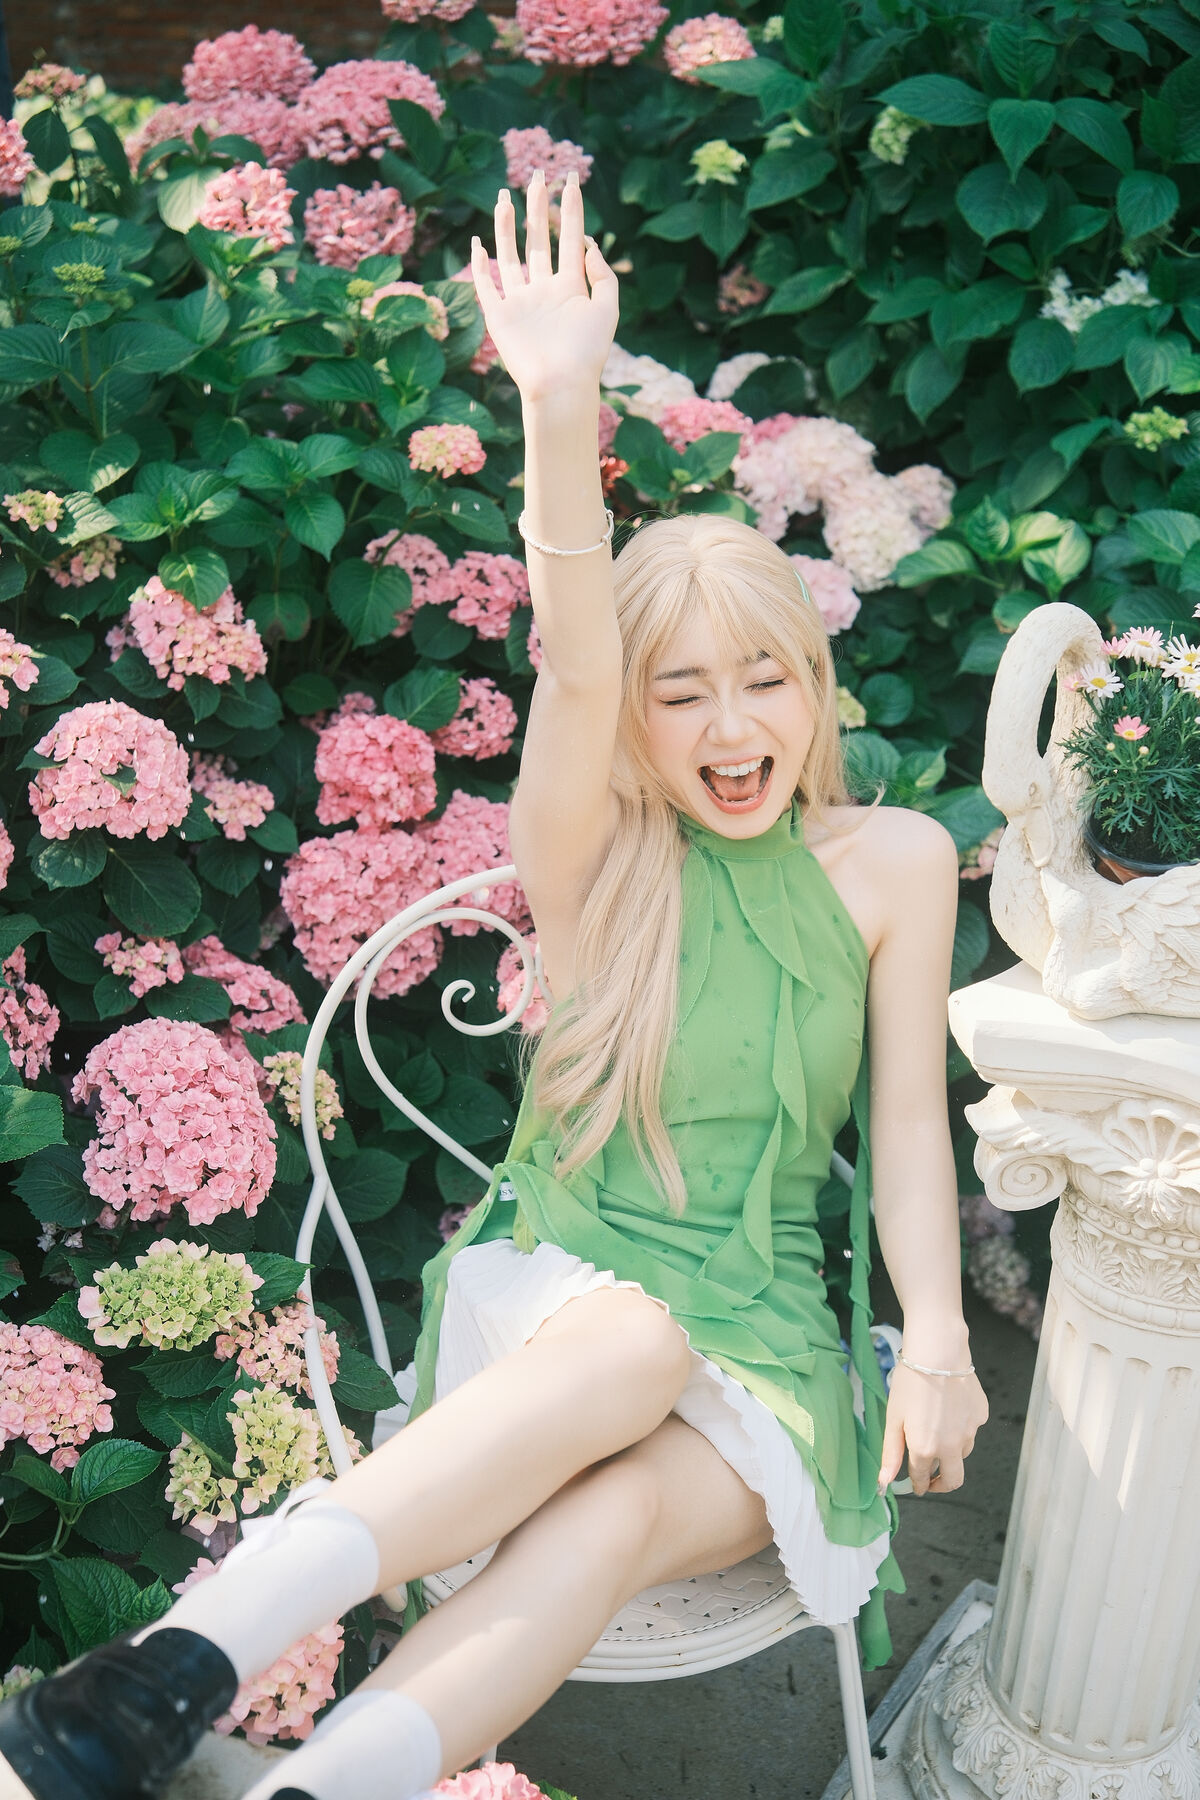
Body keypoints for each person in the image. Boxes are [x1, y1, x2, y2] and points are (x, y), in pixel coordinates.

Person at [0, 167, 988, 1800]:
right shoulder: (596, 849)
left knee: (609, 1519)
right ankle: (176, 1666)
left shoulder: (892, 862)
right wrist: (557, 397)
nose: (730, 727)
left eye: (766, 681)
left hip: (769, 1344)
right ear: (637, 722)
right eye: (682, 694)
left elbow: (902, 1130)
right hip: (572, 1293)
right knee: (635, 1349)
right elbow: (575, 661)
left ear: (817, 688)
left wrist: (936, 1338)